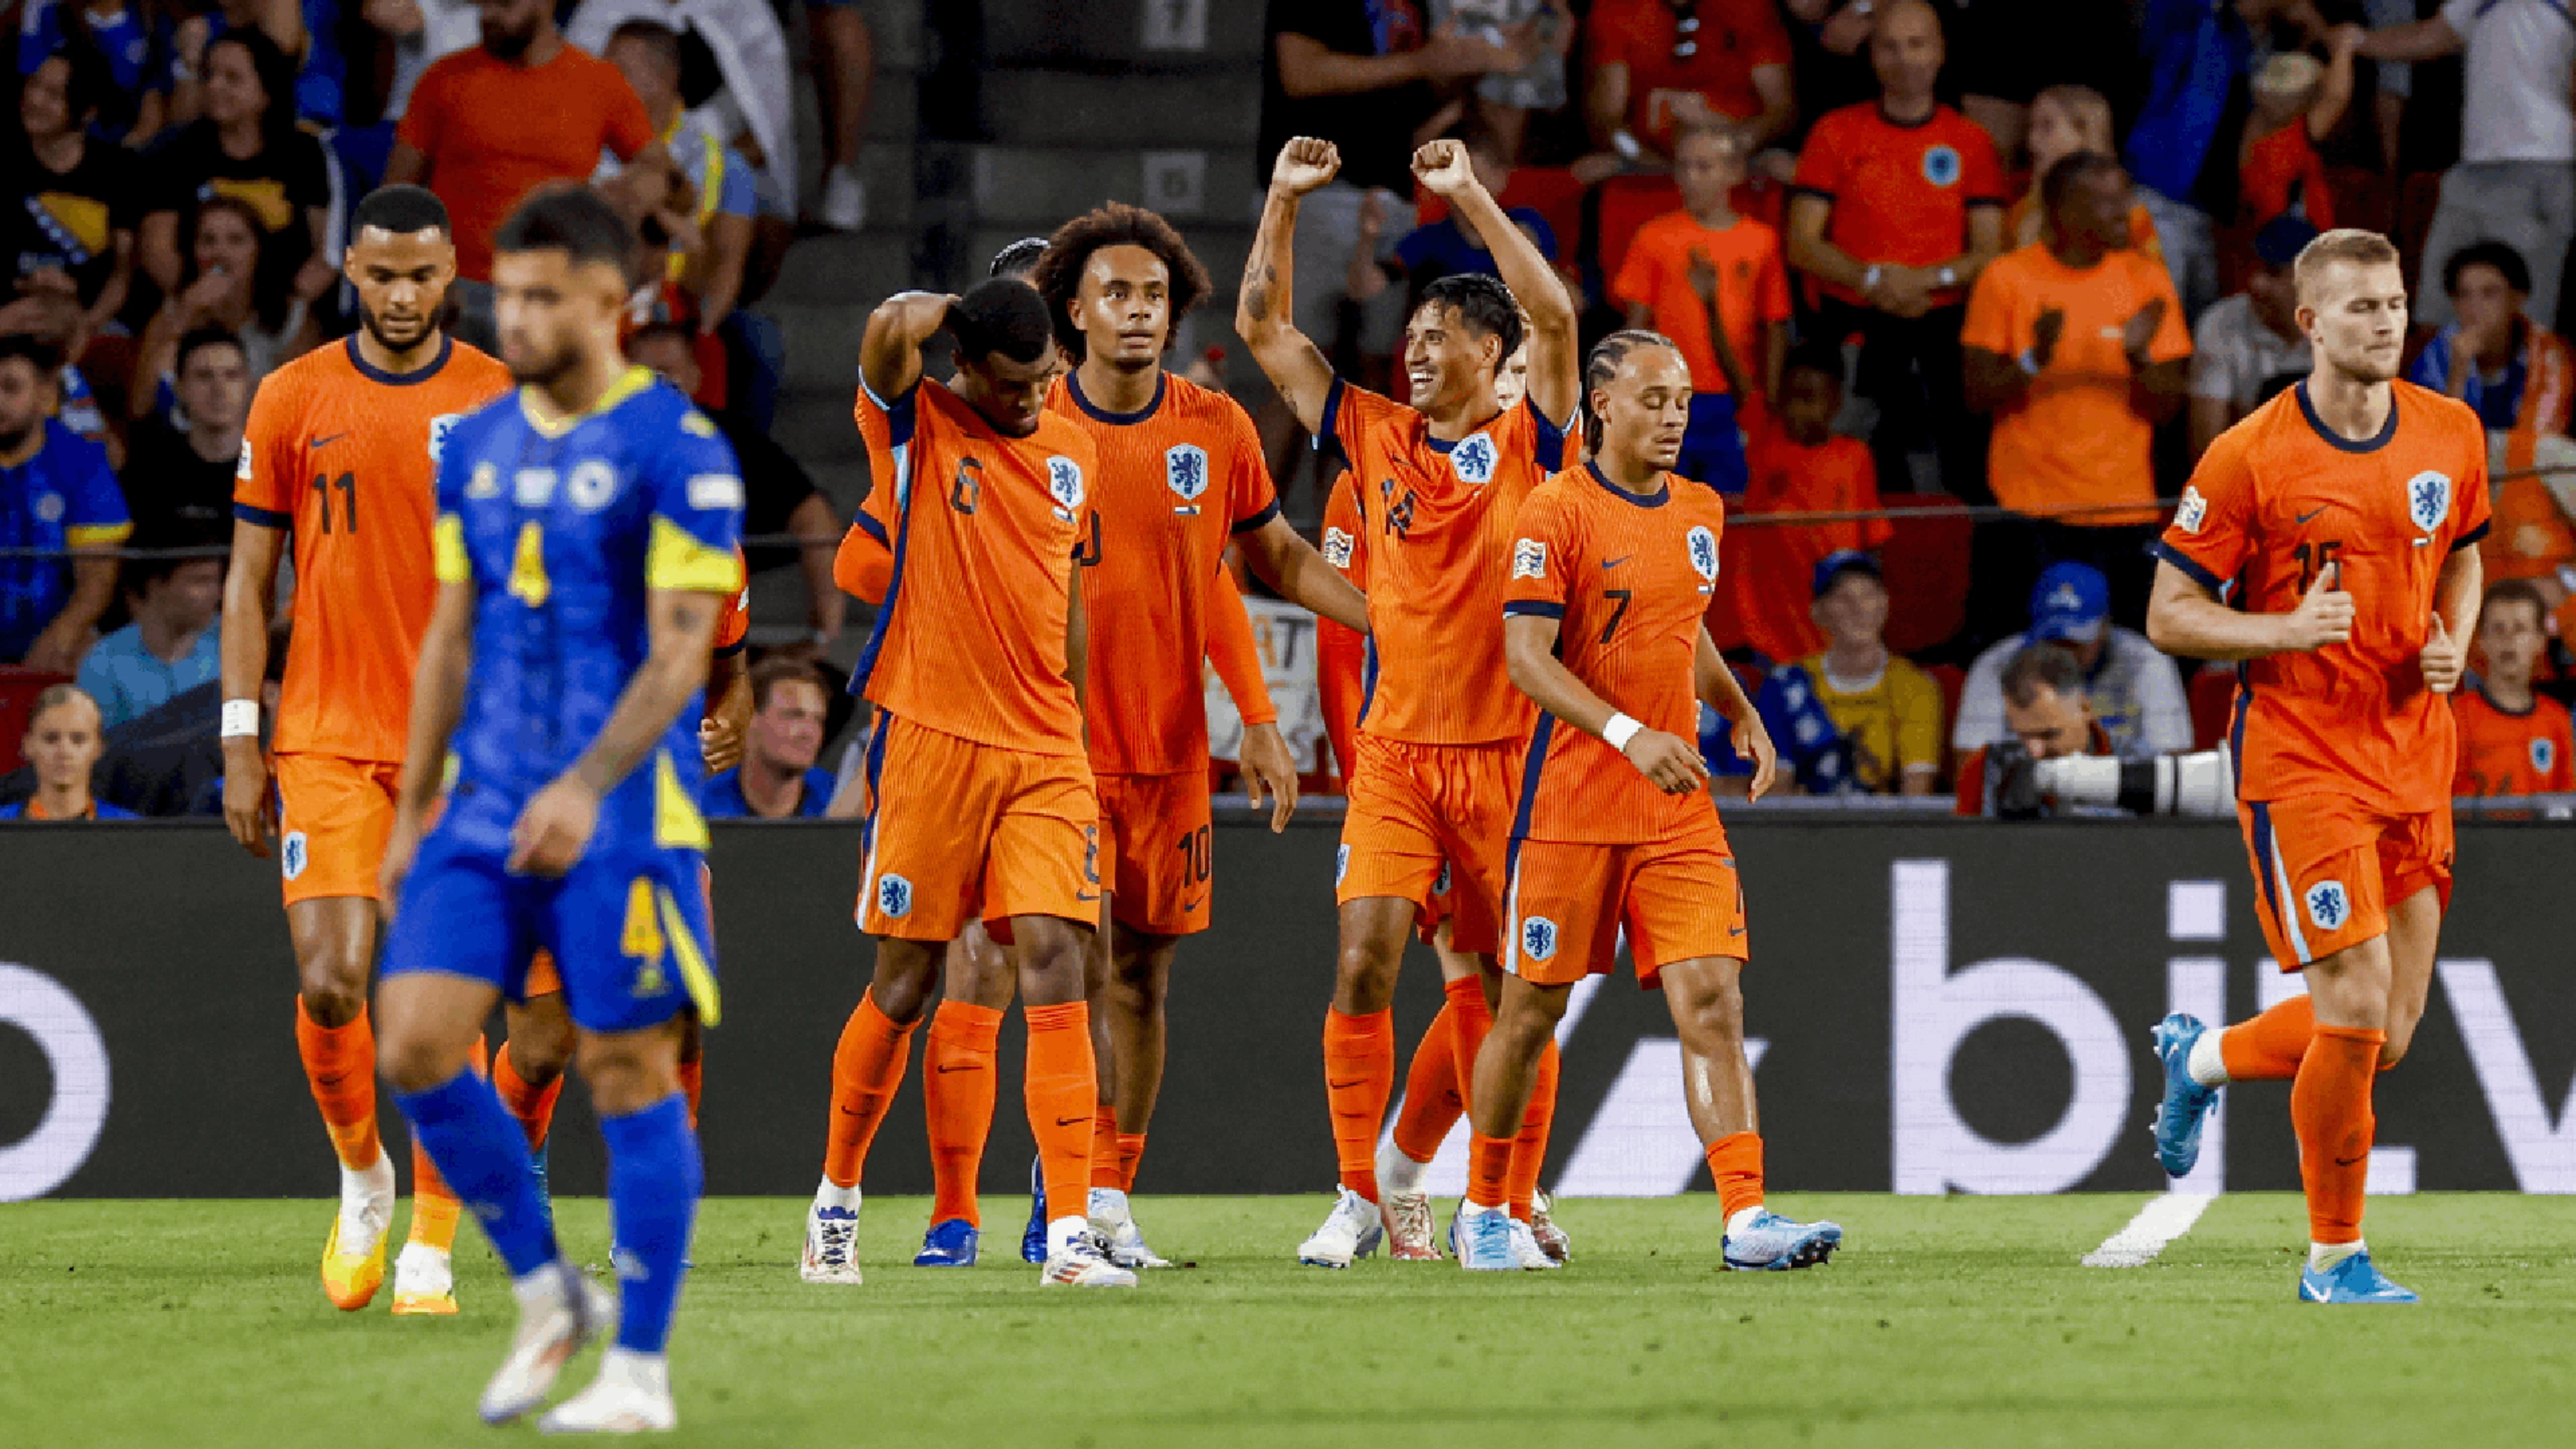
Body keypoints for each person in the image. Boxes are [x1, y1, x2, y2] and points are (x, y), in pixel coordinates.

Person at [901, 201, 1370, 1272]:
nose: (1139, 313)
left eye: (1155, 296)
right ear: (1072, 310)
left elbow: (1259, 563)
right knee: (1065, 965)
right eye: (1117, 295)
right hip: (1051, 757)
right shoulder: (1026, 427)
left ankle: (1104, 1200)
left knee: (1144, 980)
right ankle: (1023, 1206)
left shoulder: (1215, 430)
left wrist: (1349, 652)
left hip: (1169, 756)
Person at [374, 184, 741, 1430]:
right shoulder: (474, 445)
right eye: (506, 293)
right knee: (416, 1042)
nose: (512, 316)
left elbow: (686, 647)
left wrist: (588, 787)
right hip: (481, 808)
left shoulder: (680, 450)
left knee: (628, 1070)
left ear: (608, 301)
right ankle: (547, 1290)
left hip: (626, 813)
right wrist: (409, 806)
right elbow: (449, 635)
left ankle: (639, 1373)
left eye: (539, 296)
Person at [1239, 133, 1580, 1271]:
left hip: (1512, 759)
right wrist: (1284, 203)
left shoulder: (1535, 443)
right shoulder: (1375, 436)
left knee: (1514, 990)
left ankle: (1504, 1202)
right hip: (1397, 756)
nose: (1419, 349)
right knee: (1364, 959)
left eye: (1444, 337)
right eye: (1414, 335)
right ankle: (1357, 1195)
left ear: (1496, 355)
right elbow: (1263, 333)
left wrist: (1472, 193)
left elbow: (1560, 318)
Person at [2145, 227, 2491, 1305]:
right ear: (2309, 325)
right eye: (2361, 308)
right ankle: (2334, 1258)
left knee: (2385, 1036)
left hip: (2414, 759)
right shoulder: (2250, 454)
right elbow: (2170, 612)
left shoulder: (2451, 430)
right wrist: (2281, 633)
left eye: (2394, 304)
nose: (2386, 322)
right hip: (2303, 760)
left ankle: (2198, 1062)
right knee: (2350, 1004)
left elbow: (2468, 552)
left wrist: (2455, 641)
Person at [1467, 326, 1835, 1272]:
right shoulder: (1554, 513)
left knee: (1714, 1001)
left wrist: (1739, 708)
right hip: (1570, 807)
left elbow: (1683, 628)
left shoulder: (1702, 511)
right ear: (1602, 407)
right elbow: (1524, 658)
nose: (1673, 418)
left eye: (1682, 402)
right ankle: (1483, 1208)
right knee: (1529, 1015)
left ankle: (1746, 1220)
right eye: (1653, 400)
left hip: (1676, 808)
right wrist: (1631, 735)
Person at [797, 276, 1132, 1291]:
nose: (1036, 398)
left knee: (1055, 963)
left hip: (1043, 751)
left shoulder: (1074, 455)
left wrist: (1075, 723)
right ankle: (837, 1204)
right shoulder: (917, 429)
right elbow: (885, 325)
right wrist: (969, 311)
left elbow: (1065, 600)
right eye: (1015, 380)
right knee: (903, 986)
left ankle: (1069, 1233)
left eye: (1047, 379)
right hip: (932, 740)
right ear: (969, 369)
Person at [216, 184, 513, 1318]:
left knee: (441, 1000)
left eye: (422, 276)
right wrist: (242, 738)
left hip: (460, 750)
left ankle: (431, 1254)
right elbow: (248, 581)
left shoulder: (495, 401)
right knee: (333, 982)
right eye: (381, 274)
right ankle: (364, 1178)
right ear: (350, 266)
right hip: (329, 739)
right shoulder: (294, 396)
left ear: (452, 274)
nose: (401, 295)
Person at [1962, 152, 2191, 634]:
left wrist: (2139, 357)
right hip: (2029, 513)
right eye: (2105, 203)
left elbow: (2168, 409)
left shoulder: (2147, 281)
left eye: (2123, 199)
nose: (2122, 214)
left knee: (2130, 658)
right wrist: (2034, 361)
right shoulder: (2005, 279)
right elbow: (1976, 396)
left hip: (2123, 511)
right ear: (2063, 211)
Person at [1785, 0, 2004, 501]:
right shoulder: (1835, 132)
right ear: (1872, 54)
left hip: (1943, 328)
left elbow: (1991, 250)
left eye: (1917, 43)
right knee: (1837, 471)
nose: (1905, 58)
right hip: (1854, 324)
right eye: (1890, 45)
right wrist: (1873, 281)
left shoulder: (1971, 141)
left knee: (1951, 472)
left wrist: (1923, 281)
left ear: (1941, 51)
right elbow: (1802, 242)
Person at [386, 0, 654, 304]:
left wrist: (646, 186)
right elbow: (395, 194)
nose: (487, 15)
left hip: (554, 294)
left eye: (504, 5)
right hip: (454, 290)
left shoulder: (601, 85)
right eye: (484, 6)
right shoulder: (443, 78)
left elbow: (666, 175)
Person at [2348, 3, 2576, 330]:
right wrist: (2356, 40)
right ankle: (2440, 381)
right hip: (2471, 170)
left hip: (2541, 165)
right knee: (2435, 315)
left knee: (2522, 325)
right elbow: (2430, 35)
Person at [626, 321, 842, 647]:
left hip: (713, 624)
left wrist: (822, 636)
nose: (661, 386)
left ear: (696, 377)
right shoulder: (595, 444)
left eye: (670, 372)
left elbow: (813, 516)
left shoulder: (730, 442)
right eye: (648, 375)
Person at [1613, 123, 1788, 494]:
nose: (1690, 179)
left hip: (1734, 398)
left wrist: (1768, 402)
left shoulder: (1761, 241)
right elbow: (1635, 327)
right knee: (1663, 500)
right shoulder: (1654, 237)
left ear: (1734, 173)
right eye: (1683, 167)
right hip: (1668, 397)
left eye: (1704, 168)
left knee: (1732, 502)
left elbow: (1774, 324)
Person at [136, 30, 333, 313]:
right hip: (195, 304)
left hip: (282, 312)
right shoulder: (176, 150)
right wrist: (198, 304)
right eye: (209, 75)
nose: (215, 86)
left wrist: (285, 317)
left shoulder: (305, 154)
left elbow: (325, 253)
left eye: (232, 78)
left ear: (267, 92)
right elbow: (158, 249)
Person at [1728, 345, 1888, 667]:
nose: (1797, 410)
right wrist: (1711, 310)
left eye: (1808, 398)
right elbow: (1736, 378)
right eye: (1790, 399)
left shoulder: (1855, 457)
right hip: (1772, 630)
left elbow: (1873, 539)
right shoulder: (1766, 443)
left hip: (1834, 626)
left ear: (1835, 402)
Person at [1953, 561, 2194, 763]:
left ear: (2105, 626)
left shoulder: (2145, 662)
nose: (2065, 652)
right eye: (2054, 639)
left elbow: (2172, 763)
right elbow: (1971, 765)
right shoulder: (1998, 665)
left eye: (2076, 640)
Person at [602, 20, 753, 338]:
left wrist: (696, 337)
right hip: (598, 310)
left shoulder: (726, 165)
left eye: (620, 72)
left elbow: (728, 268)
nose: (603, 83)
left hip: (684, 312)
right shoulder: (579, 148)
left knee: (758, 344)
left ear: (666, 78)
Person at [1750, 551, 1941, 796]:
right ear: (1818, 612)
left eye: (1868, 596)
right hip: (1805, 827)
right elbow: (1776, 789)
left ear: (1885, 603)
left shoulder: (1916, 686)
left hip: (1882, 827)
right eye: (1843, 598)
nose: (1858, 609)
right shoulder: (1784, 684)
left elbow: (1916, 792)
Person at [0, 332, 126, 671]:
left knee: (88, 651)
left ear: (45, 397)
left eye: (10, 388)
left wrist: (56, 640)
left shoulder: (82, 462)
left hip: (53, 638)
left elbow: (97, 580)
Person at [130, 196, 311, 423]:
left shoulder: (289, 314)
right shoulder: (173, 312)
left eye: (236, 240)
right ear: (193, 251)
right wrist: (184, 316)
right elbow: (140, 407)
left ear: (258, 250)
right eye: (208, 241)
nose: (220, 252)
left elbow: (306, 408)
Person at [6, 51, 142, 342]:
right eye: (35, 85)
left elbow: (122, 271)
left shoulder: (118, 170)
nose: (35, 100)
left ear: (88, 111)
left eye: (54, 94)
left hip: (92, 321)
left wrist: (86, 327)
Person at [1582, 0, 1794, 168]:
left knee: (1784, 167)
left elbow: (1781, 109)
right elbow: (1608, 122)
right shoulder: (1615, 8)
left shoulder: (1750, 5)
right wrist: (1641, 157)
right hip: (1647, 163)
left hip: (1741, 155)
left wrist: (1738, 141)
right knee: (1588, 171)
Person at [2406, 241, 2575, 438]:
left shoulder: (2549, 356)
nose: (2474, 306)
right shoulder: (2435, 357)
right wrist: (2459, 371)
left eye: (2489, 293)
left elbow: (2546, 441)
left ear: (2517, 298)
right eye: (2463, 295)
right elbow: (2437, 441)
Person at [2192, 214, 2317, 461]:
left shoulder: (2352, 330)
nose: (2256, 283)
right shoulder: (2221, 322)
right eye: (2255, 268)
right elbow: (2208, 454)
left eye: (2274, 273)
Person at [1953, 641, 2116, 816]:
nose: (2036, 752)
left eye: (2049, 734)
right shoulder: (1985, 769)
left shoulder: (2135, 763)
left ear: (2085, 708)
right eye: (2023, 735)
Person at [119, 327, 250, 546]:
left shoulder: (279, 470)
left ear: (248, 386)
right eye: (204, 376)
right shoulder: (149, 470)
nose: (219, 390)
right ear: (180, 387)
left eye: (232, 376)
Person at [1390, 121, 1558, 287]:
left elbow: (1574, 303)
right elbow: (1378, 286)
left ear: (1500, 179)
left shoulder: (1528, 223)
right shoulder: (1430, 238)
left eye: (1474, 177)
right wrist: (1369, 238)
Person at [2451, 579, 2575, 797]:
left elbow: (2565, 804)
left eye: (2520, 629)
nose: (2508, 640)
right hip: (2474, 831)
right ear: (2481, 640)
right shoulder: (2458, 716)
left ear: (2540, 641)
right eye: (2498, 628)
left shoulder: (2556, 719)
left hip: (2542, 833)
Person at [2006, 85, 2159, 257]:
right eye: (2031, 127)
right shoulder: (2022, 209)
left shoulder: (2132, 214)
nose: (2032, 141)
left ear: (2085, 133)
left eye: (2047, 126)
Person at [77, 553, 221, 729]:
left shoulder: (227, 654)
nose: (216, 594)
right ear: (156, 586)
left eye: (216, 581)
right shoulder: (102, 664)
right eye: (200, 581)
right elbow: (99, 749)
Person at [14, 0, 179, 146]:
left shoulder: (151, 21)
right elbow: (33, 97)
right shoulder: (54, 15)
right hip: (62, 142)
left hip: (124, 145)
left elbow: (153, 111)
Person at [698, 657, 835, 818]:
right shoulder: (699, 807)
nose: (809, 733)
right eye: (794, 716)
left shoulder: (839, 803)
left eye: (818, 720)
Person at [0, 684, 136, 819]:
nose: (64, 752)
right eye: (51, 739)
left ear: (98, 748)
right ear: (29, 746)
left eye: (78, 740)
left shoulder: (132, 830)